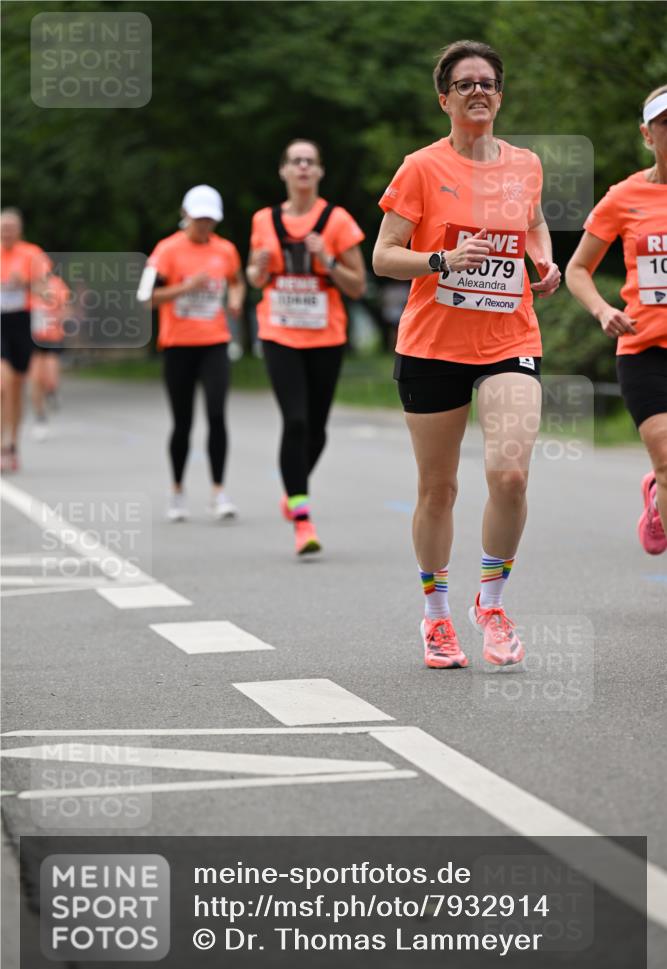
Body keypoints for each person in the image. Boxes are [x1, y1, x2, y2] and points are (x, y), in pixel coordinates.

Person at [373, 40, 560, 669]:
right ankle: (435, 616)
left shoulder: (525, 165)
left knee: (510, 474)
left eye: (488, 82)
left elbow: (531, 221)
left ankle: (493, 602)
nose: (478, 91)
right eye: (464, 83)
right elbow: (383, 255)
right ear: (444, 98)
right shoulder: (421, 168)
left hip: (510, 336)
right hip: (432, 345)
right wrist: (441, 260)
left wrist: (544, 258)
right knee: (439, 489)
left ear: (500, 96)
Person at [246, 139, 366, 555]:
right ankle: (302, 516)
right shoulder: (264, 220)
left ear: (319, 172)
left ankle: (292, 489)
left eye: (309, 162)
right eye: (294, 161)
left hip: (326, 334)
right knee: (294, 422)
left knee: (316, 428)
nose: (301, 168)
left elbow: (358, 284)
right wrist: (256, 270)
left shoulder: (337, 221)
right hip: (278, 332)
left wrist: (328, 260)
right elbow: (254, 277)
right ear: (283, 171)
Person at [566, 85, 667, 555]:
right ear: (647, 135)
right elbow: (578, 269)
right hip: (644, 349)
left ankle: (655, 498)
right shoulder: (624, 197)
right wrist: (603, 309)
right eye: (665, 124)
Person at [138, 185, 246, 521]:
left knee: (216, 415)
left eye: (209, 220)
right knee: (182, 421)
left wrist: (236, 299)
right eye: (198, 219)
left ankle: (218, 491)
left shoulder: (226, 250)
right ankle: (177, 491)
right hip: (177, 346)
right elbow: (145, 297)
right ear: (185, 216)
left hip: (214, 342)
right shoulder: (166, 250)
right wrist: (186, 287)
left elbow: (238, 281)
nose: (204, 226)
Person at [1, 208, 50, 470]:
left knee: (15, 388)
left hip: (21, 322)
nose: (6, 231)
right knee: (3, 382)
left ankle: (11, 444)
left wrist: (27, 283)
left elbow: (46, 288)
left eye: (10, 227)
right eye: (2, 227)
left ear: (19, 230)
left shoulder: (32, 254)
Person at [29, 271, 70, 440]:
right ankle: (40, 417)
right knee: (36, 378)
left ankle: (52, 391)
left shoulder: (57, 284)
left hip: (53, 337)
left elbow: (67, 307)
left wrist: (59, 317)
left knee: (50, 375)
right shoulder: (27, 284)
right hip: (33, 337)